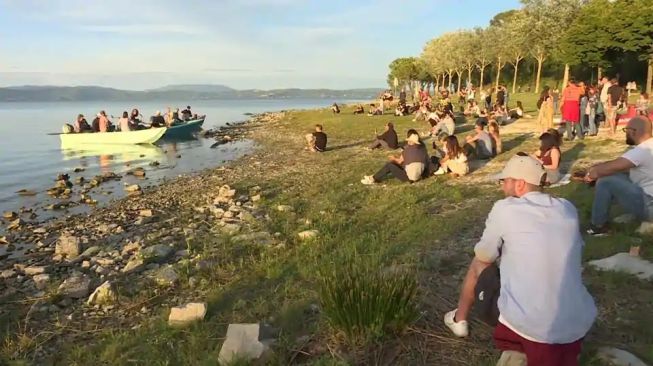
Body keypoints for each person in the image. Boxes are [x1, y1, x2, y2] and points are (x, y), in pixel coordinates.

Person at [444, 154, 597, 366]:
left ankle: (459, 318)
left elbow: (484, 256)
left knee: (478, 264)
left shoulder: (505, 209)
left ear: (520, 184)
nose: (502, 187)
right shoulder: (567, 207)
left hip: (534, 328)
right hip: (578, 323)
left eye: (504, 181)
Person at [585, 116, 653, 236]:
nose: (625, 134)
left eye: (626, 130)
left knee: (605, 181)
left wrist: (592, 173)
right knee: (615, 176)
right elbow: (621, 167)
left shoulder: (642, 150)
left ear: (633, 131)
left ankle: (598, 226)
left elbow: (610, 168)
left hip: (649, 206)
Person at [361, 129, 429, 185]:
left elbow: (400, 161)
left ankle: (373, 178)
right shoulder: (423, 148)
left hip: (410, 178)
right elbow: (425, 160)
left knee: (390, 165)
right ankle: (374, 177)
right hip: (420, 174)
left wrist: (394, 158)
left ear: (410, 141)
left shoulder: (407, 150)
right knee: (397, 164)